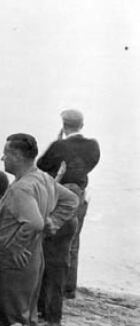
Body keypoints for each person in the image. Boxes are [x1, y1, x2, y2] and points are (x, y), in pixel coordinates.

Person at [0, 134, 78, 326]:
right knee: (27, 317)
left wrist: (15, 247)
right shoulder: (42, 178)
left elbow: (32, 222)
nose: (1, 157)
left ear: (17, 156)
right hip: (33, 260)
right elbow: (72, 200)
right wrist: (52, 222)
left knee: (7, 320)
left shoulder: (22, 187)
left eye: (5, 153)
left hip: (12, 263)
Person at [36, 109, 100, 299]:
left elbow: (41, 164)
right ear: (81, 125)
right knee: (73, 240)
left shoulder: (59, 145)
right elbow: (91, 163)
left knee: (54, 241)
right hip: (81, 192)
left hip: (62, 195)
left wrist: (56, 142)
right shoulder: (92, 145)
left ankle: (52, 287)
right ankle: (69, 287)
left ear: (63, 126)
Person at [37, 184, 80, 326]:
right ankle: (45, 315)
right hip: (55, 258)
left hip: (56, 260)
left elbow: (50, 232)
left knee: (53, 289)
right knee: (49, 287)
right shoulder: (70, 219)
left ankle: (53, 319)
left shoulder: (65, 221)